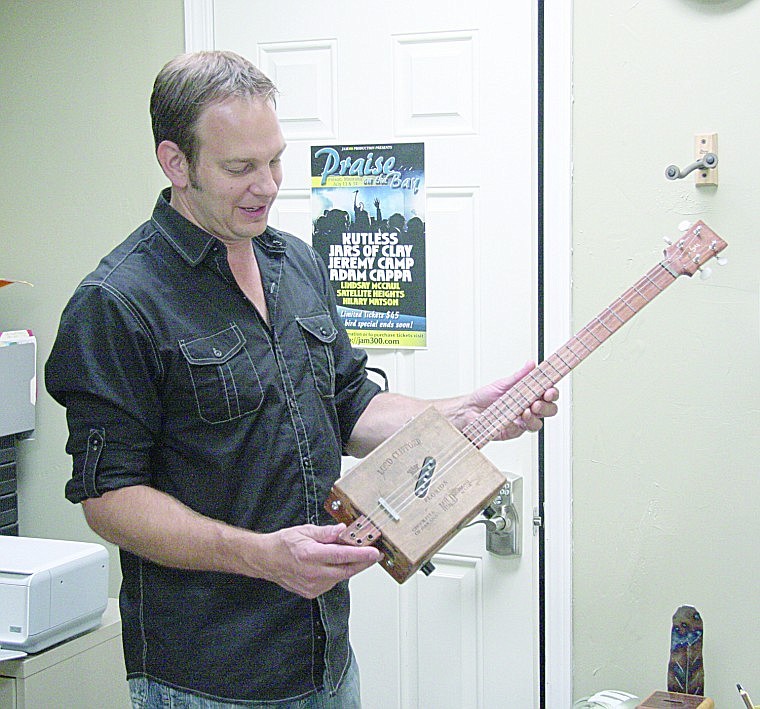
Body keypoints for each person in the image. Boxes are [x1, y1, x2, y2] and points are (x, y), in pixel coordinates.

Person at [45, 50, 558, 708]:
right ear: (176, 162)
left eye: (275, 159)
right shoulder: (119, 301)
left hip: (326, 659)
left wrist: (464, 412)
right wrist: (261, 554)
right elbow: (109, 498)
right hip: (207, 677)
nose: (268, 184)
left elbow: (349, 404)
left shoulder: (297, 265)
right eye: (239, 168)